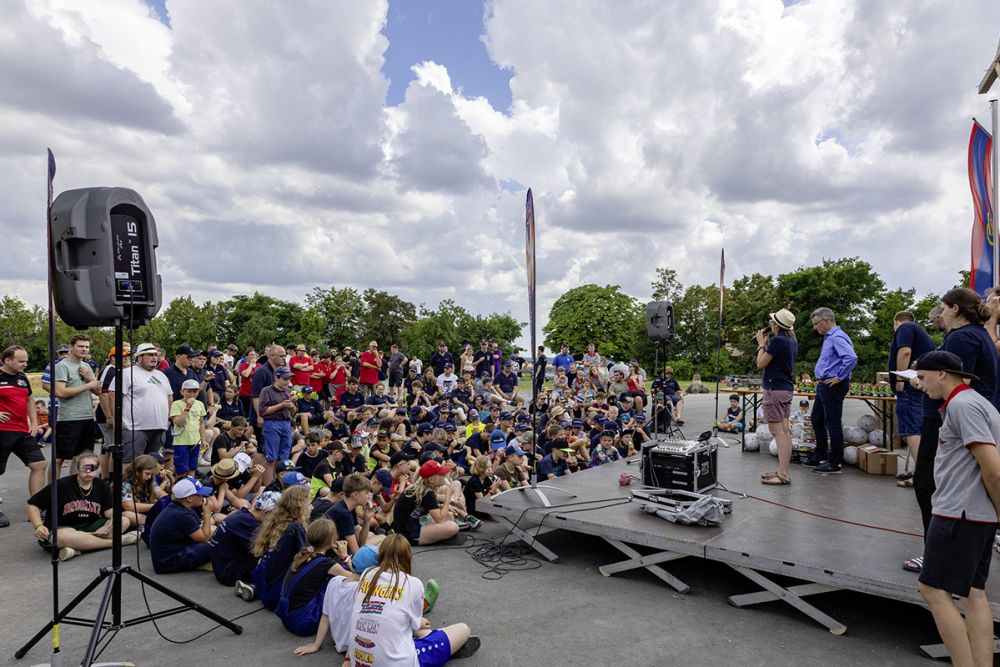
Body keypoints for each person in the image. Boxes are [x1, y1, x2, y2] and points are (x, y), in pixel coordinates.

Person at [912, 351, 1000, 667]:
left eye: (922, 377)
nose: (920, 385)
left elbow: (993, 469)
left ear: (941, 373)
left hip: (958, 512)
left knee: (932, 590)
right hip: (976, 513)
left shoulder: (963, 406)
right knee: (973, 593)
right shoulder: (976, 402)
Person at [905, 288, 999, 573]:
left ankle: (937, 553)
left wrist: (919, 381)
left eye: (943, 307)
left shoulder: (963, 338)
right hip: (952, 418)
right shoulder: (973, 335)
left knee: (929, 484)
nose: (941, 313)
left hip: (947, 420)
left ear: (955, 309)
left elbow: (955, 380)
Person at [347, 533, 480, 665]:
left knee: (408, 630)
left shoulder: (366, 573)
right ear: (408, 557)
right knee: (463, 629)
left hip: (359, 658)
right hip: (397, 661)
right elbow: (415, 625)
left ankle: (445, 647)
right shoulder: (413, 583)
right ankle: (448, 650)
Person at [27, 451, 137, 561]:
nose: (88, 471)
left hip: (92, 525)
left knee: (124, 520)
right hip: (64, 527)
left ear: (98, 469)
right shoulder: (61, 485)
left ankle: (78, 547)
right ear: (78, 469)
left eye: (92, 468)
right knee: (61, 538)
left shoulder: (102, 485)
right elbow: (32, 504)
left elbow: (108, 510)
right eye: (84, 468)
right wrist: (38, 526)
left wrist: (114, 516)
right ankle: (115, 542)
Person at [275, 517, 356, 636]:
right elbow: (356, 577)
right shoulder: (326, 564)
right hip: (304, 623)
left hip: (286, 617)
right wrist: (345, 556)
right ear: (331, 540)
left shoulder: (303, 554)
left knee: (334, 572)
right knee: (337, 579)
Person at [804, 307, 858, 474]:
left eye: (816, 324)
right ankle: (820, 455)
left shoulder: (837, 337)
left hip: (832, 385)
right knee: (817, 419)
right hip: (824, 384)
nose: (815, 328)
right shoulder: (830, 337)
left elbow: (851, 357)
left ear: (826, 320)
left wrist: (839, 377)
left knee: (832, 422)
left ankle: (835, 461)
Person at [889, 311, 937, 486]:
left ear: (896, 322)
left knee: (911, 429)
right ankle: (920, 470)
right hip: (919, 386)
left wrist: (900, 378)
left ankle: (922, 476)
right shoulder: (921, 333)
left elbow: (904, 352)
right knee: (918, 427)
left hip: (910, 387)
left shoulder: (905, 327)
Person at [0, 345, 46, 526]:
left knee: (39, 464)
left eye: (26, 361)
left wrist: (33, 422)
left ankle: (35, 507)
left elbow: (29, 399)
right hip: (2, 430)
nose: (25, 364)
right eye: (21, 361)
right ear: (7, 360)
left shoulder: (22, 377)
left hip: (21, 430)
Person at [756, 308, 798, 485]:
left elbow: (760, 363)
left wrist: (761, 345)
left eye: (772, 322)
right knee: (785, 431)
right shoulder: (792, 340)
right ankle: (783, 471)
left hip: (774, 390)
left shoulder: (778, 341)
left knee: (777, 432)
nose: (770, 324)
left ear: (777, 325)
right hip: (785, 389)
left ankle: (783, 475)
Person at [251, 485, 311, 609]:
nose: (312, 508)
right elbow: (307, 559)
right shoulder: (295, 527)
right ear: (299, 506)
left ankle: (253, 589)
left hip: (264, 588)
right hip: (279, 596)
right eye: (309, 504)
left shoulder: (276, 523)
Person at [210, 490, 280, 592]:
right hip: (229, 573)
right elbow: (268, 549)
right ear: (267, 513)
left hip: (223, 565)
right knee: (275, 559)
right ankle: (257, 589)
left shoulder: (243, 515)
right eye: (277, 516)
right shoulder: (248, 524)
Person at [114, 342, 173, 464]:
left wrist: (168, 419)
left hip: (159, 427)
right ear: (139, 357)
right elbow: (113, 395)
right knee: (131, 464)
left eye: (155, 355)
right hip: (135, 428)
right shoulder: (127, 373)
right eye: (150, 355)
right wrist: (116, 418)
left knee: (151, 464)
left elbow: (169, 396)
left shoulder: (161, 375)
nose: (154, 358)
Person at [53, 334, 100, 478]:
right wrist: (88, 385)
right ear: (71, 347)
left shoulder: (86, 366)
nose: (84, 349)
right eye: (80, 346)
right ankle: (53, 488)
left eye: (87, 346)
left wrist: (90, 379)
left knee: (82, 457)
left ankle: (74, 486)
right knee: (59, 458)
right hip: (69, 418)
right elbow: (60, 392)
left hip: (87, 417)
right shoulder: (62, 366)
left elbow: (98, 391)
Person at [148, 477, 215, 574]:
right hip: (168, 562)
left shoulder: (179, 507)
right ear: (189, 498)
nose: (203, 496)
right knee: (209, 547)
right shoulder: (182, 515)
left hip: (171, 553)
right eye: (199, 494)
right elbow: (204, 538)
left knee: (215, 534)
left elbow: (199, 531)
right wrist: (207, 513)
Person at [391, 460, 460, 546]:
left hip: (408, 524)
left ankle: (436, 535)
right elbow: (440, 519)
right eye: (441, 475)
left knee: (449, 516)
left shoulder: (422, 488)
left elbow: (426, 506)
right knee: (453, 527)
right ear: (431, 479)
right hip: (408, 532)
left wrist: (441, 506)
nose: (444, 476)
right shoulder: (427, 492)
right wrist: (448, 497)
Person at [322, 472, 385, 555]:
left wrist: (367, 519)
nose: (369, 496)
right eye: (366, 493)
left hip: (339, 551)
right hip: (332, 555)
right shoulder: (343, 513)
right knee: (383, 543)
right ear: (355, 495)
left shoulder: (348, 508)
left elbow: (361, 542)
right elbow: (356, 554)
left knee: (382, 539)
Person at [259, 366, 297, 485]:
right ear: (276, 378)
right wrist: (281, 405)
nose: (287, 381)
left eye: (289, 379)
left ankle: (281, 484)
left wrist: (292, 406)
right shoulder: (266, 391)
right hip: (272, 423)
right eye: (285, 379)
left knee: (284, 458)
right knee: (271, 458)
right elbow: (262, 411)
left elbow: (293, 413)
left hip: (286, 424)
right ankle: (269, 486)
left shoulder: (288, 391)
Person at [169, 379, 208, 477]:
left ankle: (190, 485)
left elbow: (201, 423)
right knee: (181, 469)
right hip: (181, 442)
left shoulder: (200, 404)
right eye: (189, 391)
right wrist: (187, 407)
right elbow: (179, 423)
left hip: (195, 441)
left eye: (195, 391)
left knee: (192, 467)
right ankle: (179, 485)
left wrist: (203, 440)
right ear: (182, 392)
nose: (192, 394)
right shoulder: (176, 404)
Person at [121, 454, 167, 527]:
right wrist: (155, 506)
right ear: (137, 470)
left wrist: (165, 501)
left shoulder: (150, 482)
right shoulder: (126, 485)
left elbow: (162, 494)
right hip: (131, 514)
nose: (149, 477)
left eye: (151, 474)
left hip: (146, 513)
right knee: (128, 515)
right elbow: (129, 506)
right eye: (147, 473)